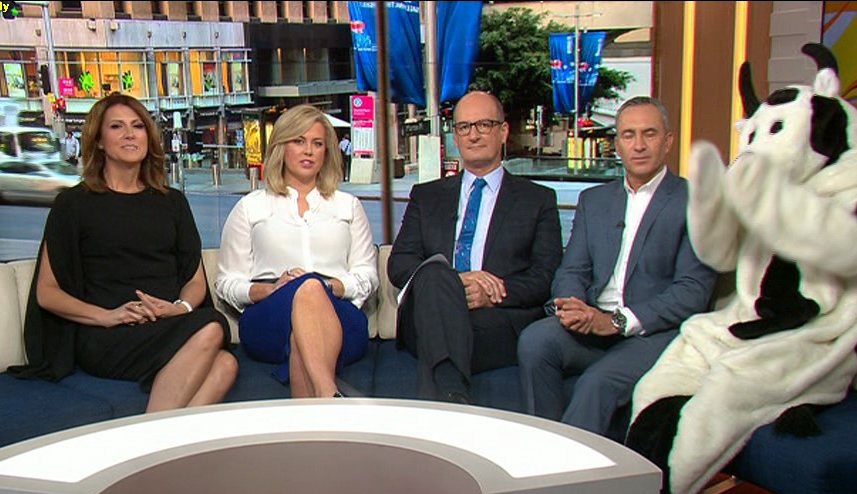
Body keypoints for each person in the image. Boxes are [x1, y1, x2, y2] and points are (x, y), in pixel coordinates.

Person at [11, 93, 238, 412]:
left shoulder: (172, 202)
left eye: (138, 126)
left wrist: (180, 308)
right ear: (99, 141)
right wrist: (108, 316)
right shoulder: (73, 204)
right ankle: (152, 433)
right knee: (213, 326)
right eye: (117, 126)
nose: (130, 134)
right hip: (107, 334)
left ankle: (153, 435)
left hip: (167, 325)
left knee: (226, 364)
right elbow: (47, 294)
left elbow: (194, 280)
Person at [517, 96, 717, 436]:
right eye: (628, 135)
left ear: (668, 141)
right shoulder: (594, 200)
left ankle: (569, 468)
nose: (638, 145)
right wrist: (573, 306)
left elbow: (692, 292)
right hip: (592, 323)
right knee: (535, 341)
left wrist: (616, 322)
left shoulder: (696, 201)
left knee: (596, 383)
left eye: (649, 133)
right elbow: (572, 270)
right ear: (617, 145)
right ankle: (545, 442)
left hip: (654, 333)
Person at [387, 91, 562, 404]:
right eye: (464, 127)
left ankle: (448, 395)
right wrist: (456, 283)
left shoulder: (538, 199)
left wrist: (492, 292)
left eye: (484, 124)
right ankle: (453, 398)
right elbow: (399, 263)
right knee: (436, 273)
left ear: (503, 131)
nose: (474, 135)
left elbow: (546, 275)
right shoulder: (426, 196)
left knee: (440, 334)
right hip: (430, 312)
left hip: (495, 321)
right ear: (455, 135)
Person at [215, 105, 378, 398]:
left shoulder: (348, 206)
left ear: (327, 152)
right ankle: (328, 396)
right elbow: (227, 282)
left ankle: (322, 401)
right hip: (270, 315)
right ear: (281, 146)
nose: (309, 151)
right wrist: (272, 290)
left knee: (308, 298)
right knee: (306, 293)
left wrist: (325, 287)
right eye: (299, 141)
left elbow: (367, 275)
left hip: (338, 313)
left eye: (318, 143)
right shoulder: (251, 207)